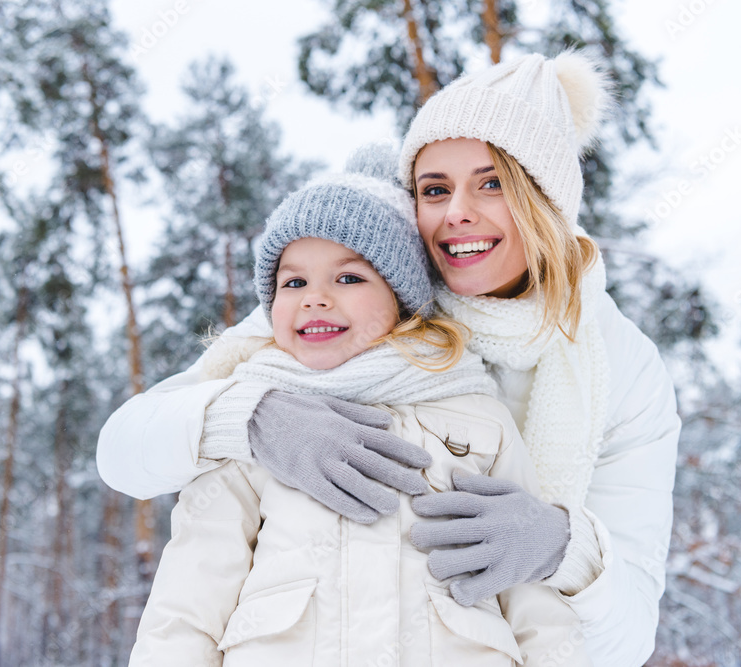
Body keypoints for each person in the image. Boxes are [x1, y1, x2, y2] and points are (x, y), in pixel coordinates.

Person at [98, 51, 680, 666]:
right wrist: (252, 418)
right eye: (435, 189)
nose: (457, 212)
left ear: (545, 200)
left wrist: (564, 549)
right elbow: (124, 454)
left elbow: (627, 637)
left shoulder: (620, 368)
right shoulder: (347, 303)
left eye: (492, 184)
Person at [127, 153, 590, 665]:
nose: (315, 299)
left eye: (348, 279)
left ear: (401, 296)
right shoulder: (251, 421)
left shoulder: (477, 417)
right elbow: (188, 602)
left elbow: (534, 605)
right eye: (293, 282)